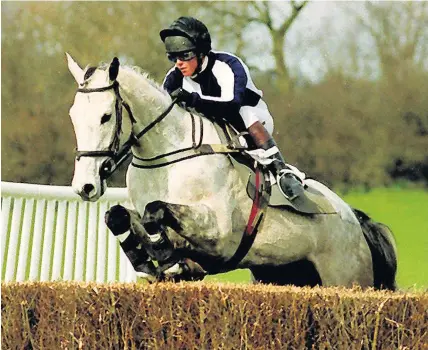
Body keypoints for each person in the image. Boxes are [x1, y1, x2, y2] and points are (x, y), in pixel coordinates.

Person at [160, 16, 303, 200]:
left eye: (185, 55)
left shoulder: (228, 65)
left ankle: (281, 169)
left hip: (252, 125)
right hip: (212, 130)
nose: (178, 63)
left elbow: (231, 108)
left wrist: (192, 100)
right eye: (173, 57)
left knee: (245, 112)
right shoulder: (173, 78)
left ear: (201, 52)